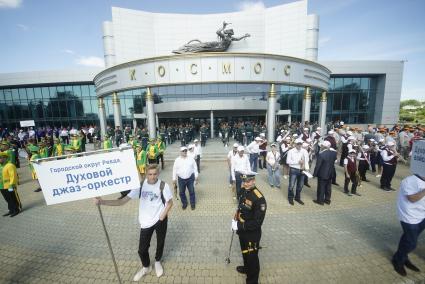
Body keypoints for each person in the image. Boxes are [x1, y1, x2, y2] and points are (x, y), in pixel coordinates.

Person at [94, 164, 173, 280]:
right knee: (142, 249)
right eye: (150, 174)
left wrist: (162, 215)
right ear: (146, 174)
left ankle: (157, 262)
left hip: (160, 219)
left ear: (158, 173)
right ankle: (146, 267)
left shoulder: (163, 185)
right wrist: (102, 202)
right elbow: (122, 202)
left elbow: (170, 203)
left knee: (160, 242)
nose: (152, 177)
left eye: (155, 174)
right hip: (146, 222)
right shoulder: (140, 186)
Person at [232, 172, 266, 284]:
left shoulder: (259, 199)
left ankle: (252, 280)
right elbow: (241, 206)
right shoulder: (243, 191)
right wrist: (236, 215)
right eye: (244, 181)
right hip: (242, 230)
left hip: (252, 233)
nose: (245, 183)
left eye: (248, 181)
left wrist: (239, 225)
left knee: (252, 258)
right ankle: (247, 269)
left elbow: (257, 222)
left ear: (254, 181)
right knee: (244, 251)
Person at [391, 174, 425, 277]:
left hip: (422, 215)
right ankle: (397, 260)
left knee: (407, 238)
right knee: (411, 243)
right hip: (409, 217)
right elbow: (412, 198)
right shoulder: (409, 180)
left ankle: (402, 257)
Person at [313, 141, 337, 205]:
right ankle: (327, 200)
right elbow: (334, 161)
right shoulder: (334, 153)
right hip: (330, 173)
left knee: (321, 187)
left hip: (322, 174)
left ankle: (320, 201)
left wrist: (314, 174)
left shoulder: (321, 154)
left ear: (324, 146)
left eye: (321, 146)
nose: (321, 147)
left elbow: (318, 166)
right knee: (328, 187)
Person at [286, 138, 309, 205]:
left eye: (300, 144)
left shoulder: (304, 151)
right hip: (294, 170)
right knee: (291, 185)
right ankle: (290, 198)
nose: (299, 145)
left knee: (300, 185)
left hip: (302, 170)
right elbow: (288, 161)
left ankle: (297, 198)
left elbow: (306, 161)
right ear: (295, 144)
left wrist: (307, 168)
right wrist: (298, 162)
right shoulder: (291, 151)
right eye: (298, 144)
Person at [0, 151, 21, 217]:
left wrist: (12, 185)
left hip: (9, 186)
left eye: (0, 158)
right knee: (7, 199)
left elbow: (13, 176)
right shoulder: (0, 166)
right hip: (2, 186)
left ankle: (17, 209)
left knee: (13, 198)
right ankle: (11, 210)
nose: (0, 159)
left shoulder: (10, 165)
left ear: (5, 158)